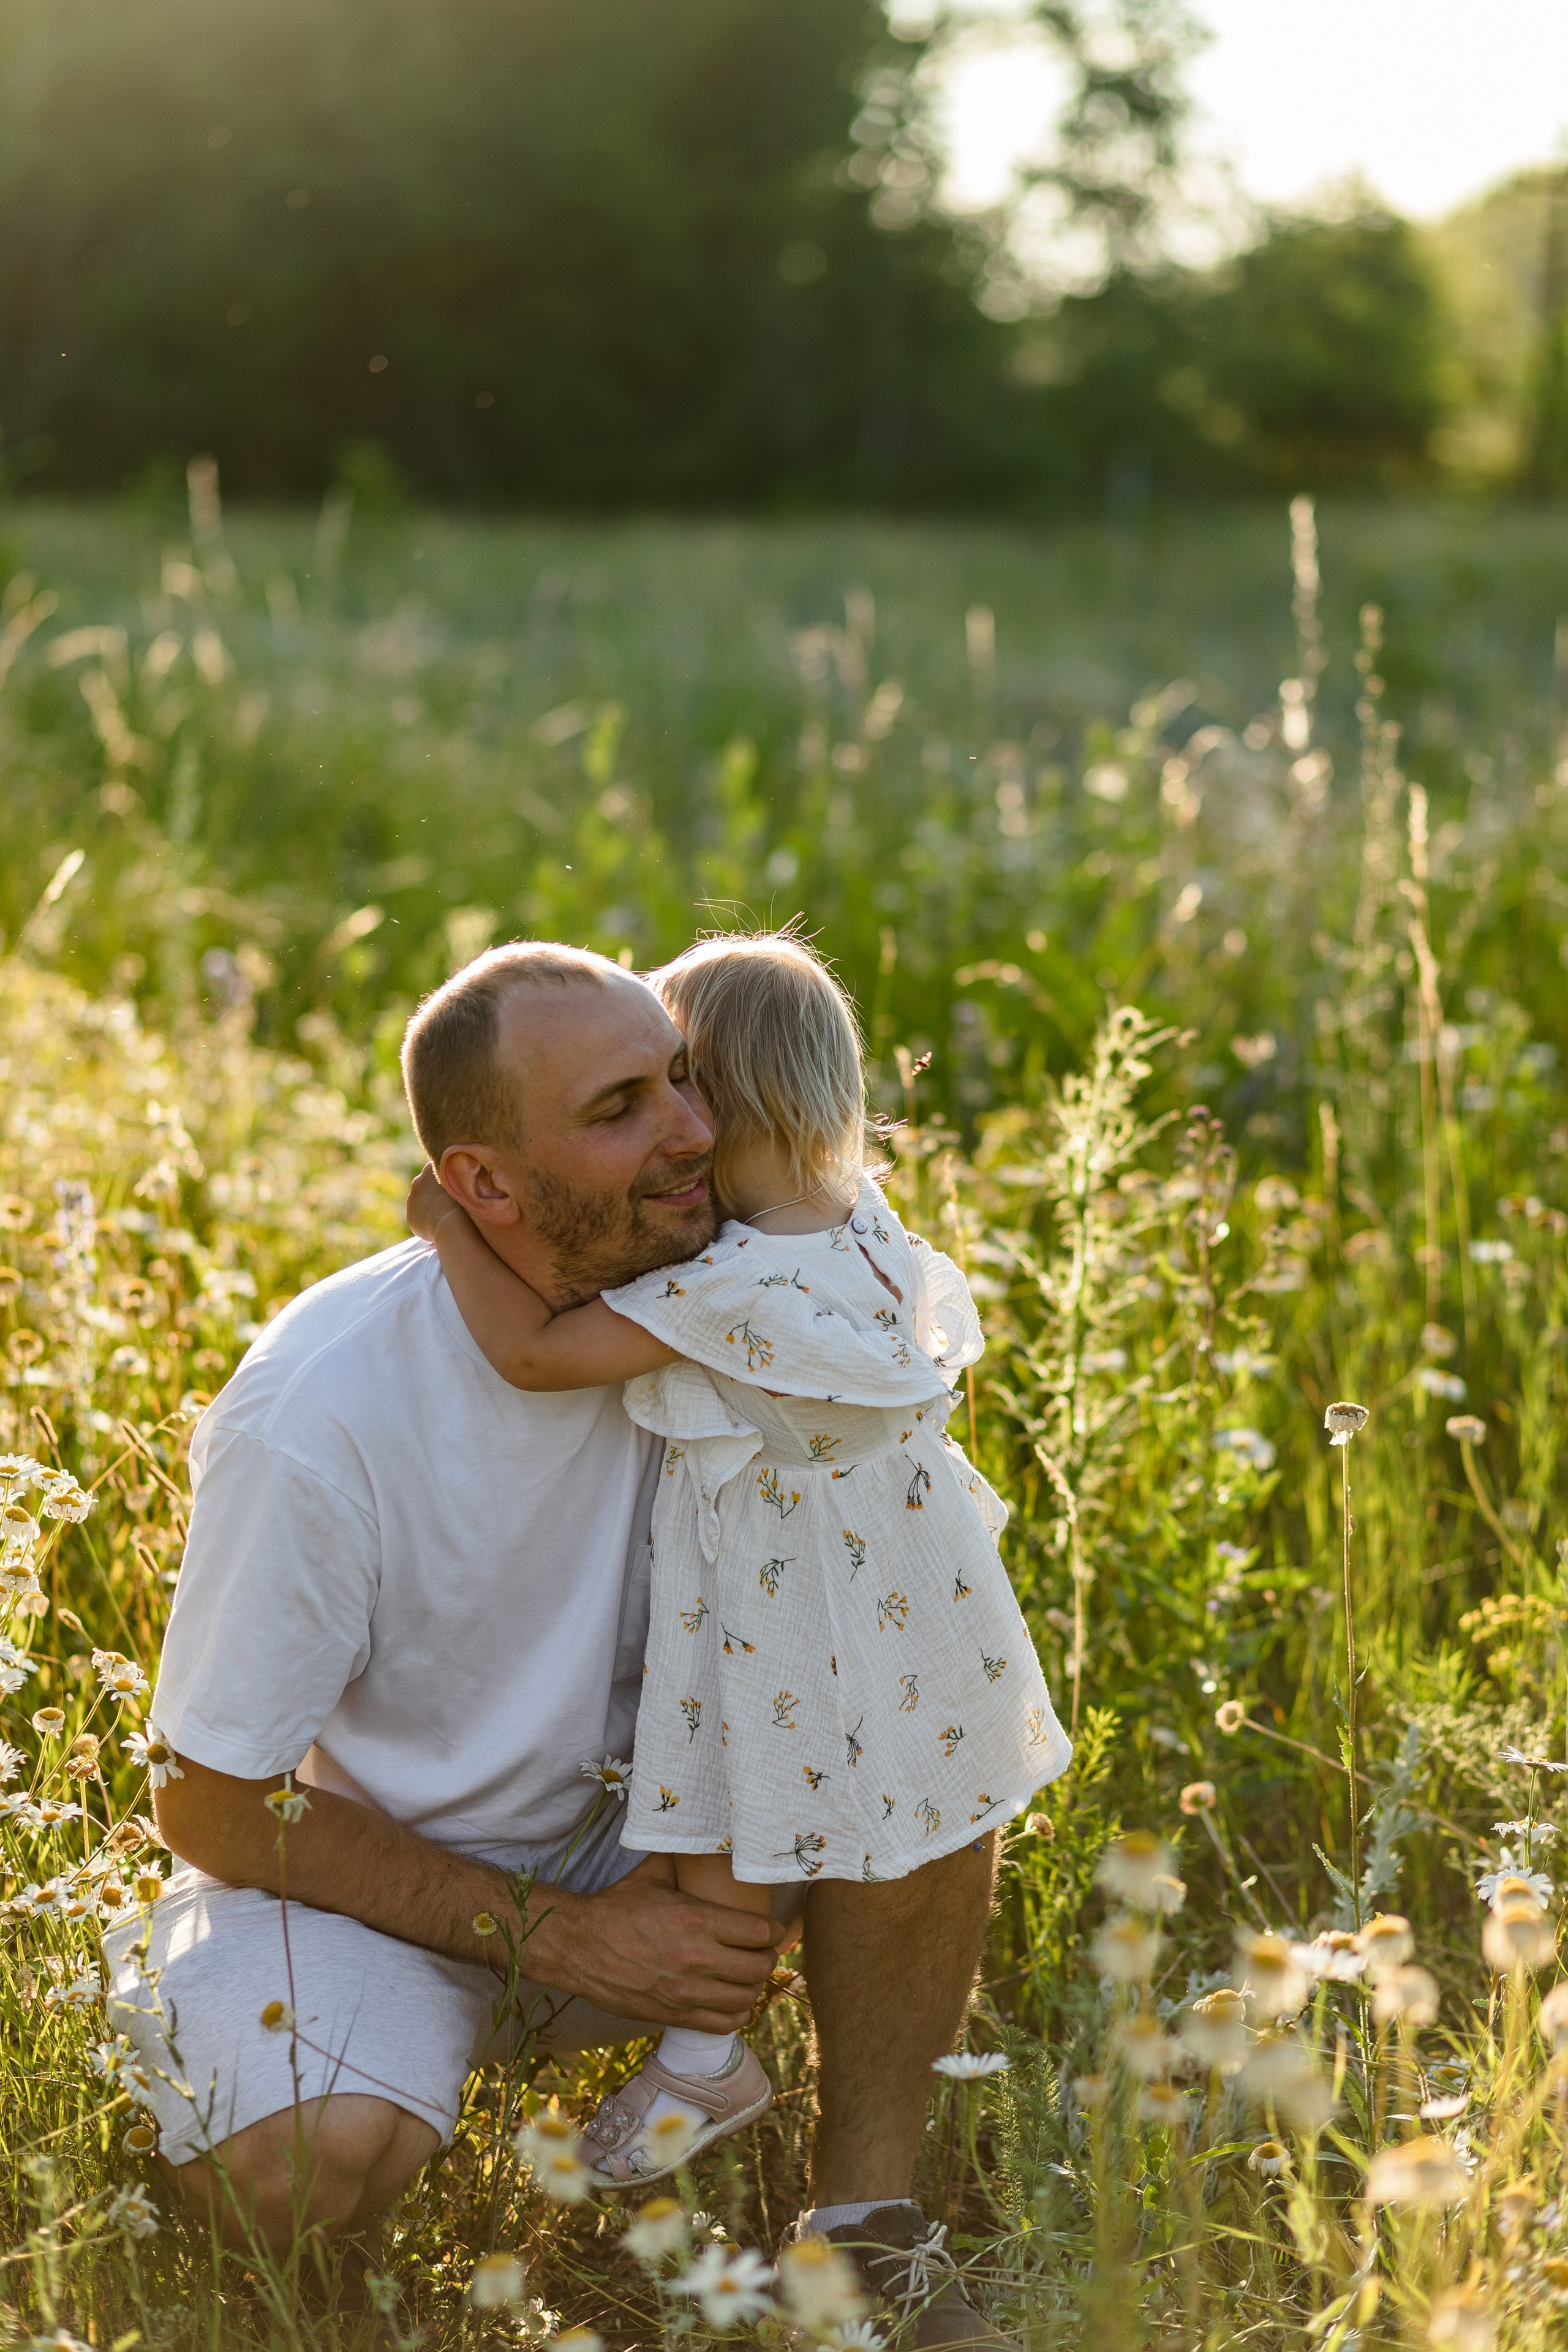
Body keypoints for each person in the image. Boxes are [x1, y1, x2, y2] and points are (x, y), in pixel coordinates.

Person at [102, 940, 1031, 2346]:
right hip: (380, 1891)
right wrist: (572, 1941)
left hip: (682, 1857)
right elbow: (209, 1802)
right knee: (296, 2163)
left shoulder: (744, 1292)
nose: (691, 1134)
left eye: (683, 1080)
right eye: (619, 1113)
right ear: (480, 1185)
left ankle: (862, 2236)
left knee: (915, 1721)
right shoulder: (322, 1408)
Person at [405, 929, 1071, 2188]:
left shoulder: (729, 1287)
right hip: (913, 1597)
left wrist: (448, 1229)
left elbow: (537, 1353)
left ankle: (707, 2048)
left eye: (671, 1081)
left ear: (714, 1098)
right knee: (827, 1814)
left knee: (734, 1796)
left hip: (785, 1598)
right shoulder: (864, 1223)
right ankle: (740, 2077)